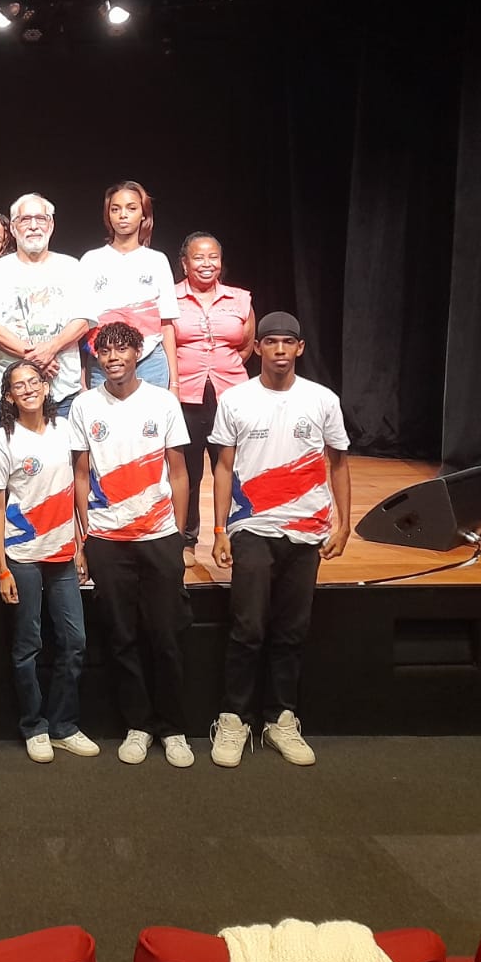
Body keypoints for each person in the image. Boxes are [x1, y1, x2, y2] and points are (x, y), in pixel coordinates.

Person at [208, 311, 350, 769]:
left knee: (292, 630)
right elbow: (223, 467)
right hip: (252, 527)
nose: (280, 350)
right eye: (271, 342)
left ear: (300, 348)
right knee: (248, 627)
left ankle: (280, 718)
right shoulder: (235, 399)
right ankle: (233, 718)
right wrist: (219, 529)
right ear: (257, 349)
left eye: (288, 342)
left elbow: (338, 463)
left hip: (307, 530)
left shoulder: (322, 399)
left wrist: (344, 524)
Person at [70, 321, 193, 768]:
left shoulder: (163, 402)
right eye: (105, 351)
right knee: (121, 638)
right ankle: (138, 726)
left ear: (138, 353)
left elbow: (178, 473)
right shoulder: (84, 405)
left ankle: (173, 728)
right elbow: (80, 476)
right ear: (97, 358)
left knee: (166, 635)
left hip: (159, 537)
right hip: (107, 538)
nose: (113, 357)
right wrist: (84, 538)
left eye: (122, 349)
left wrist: (178, 535)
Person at [0, 361, 96, 764]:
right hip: (23, 558)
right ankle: (34, 726)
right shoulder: (4, 438)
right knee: (27, 645)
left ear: (47, 387)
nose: (28, 389)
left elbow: (77, 486)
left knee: (75, 642)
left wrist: (81, 544)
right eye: (19, 385)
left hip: (63, 555)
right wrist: (2, 567)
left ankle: (64, 725)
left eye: (34, 382)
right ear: (9, 396)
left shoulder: (65, 430)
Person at [0, 192, 94, 427]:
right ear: (13, 228)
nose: (34, 226)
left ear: (51, 224)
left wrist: (50, 349)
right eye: (25, 219)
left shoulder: (71, 266)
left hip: (63, 393)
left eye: (41, 218)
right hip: (11, 394)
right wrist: (35, 358)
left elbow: (83, 321)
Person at [172, 232, 255, 567]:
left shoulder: (240, 299)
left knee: (235, 470)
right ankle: (186, 540)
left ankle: (237, 533)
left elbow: (246, 346)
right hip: (186, 397)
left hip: (231, 397)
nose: (206, 264)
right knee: (188, 473)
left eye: (213, 257)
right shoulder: (170, 298)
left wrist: (224, 369)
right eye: (198, 257)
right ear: (184, 263)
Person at [80, 182, 179, 392]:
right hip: (103, 362)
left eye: (131, 208)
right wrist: (81, 379)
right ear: (108, 215)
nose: (123, 215)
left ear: (144, 214)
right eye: (115, 209)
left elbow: (166, 324)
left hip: (150, 362)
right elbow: (81, 324)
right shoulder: (91, 260)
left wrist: (175, 384)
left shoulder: (157, 260)